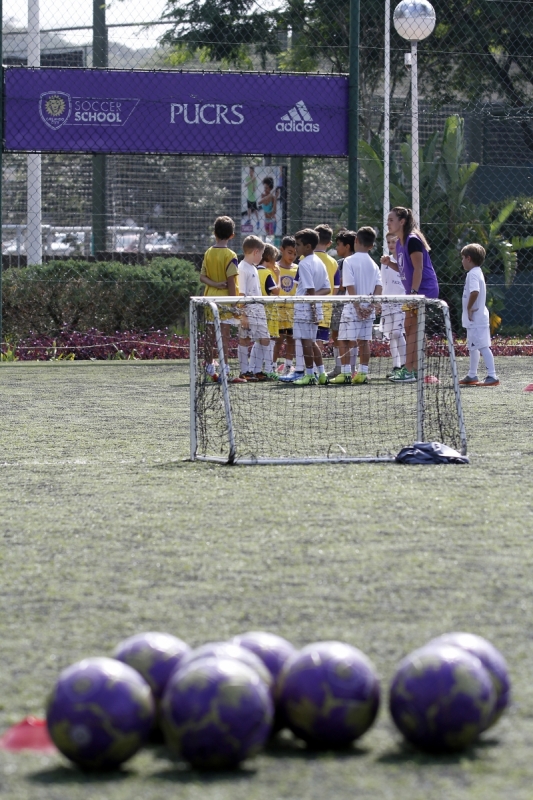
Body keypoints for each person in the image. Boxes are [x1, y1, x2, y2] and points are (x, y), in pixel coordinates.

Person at [385, 206, 439, 383]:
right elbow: (404, 268)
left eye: (391, 219)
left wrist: (414, 294)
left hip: (422, 290)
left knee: (411, 327)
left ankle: (409, 370)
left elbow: (418, 269)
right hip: (413, 292)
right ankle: (414, 369)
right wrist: (390, 263)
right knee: (410, 328)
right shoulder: (400, 243)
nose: (388, 223)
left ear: (402, 221)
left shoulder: (413, 240)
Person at [333, 227, 382, 385]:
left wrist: (357, 306)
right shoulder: (374, 264)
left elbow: (349, 285)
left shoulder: (349, 261)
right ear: (371, 246)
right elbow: (378, 287)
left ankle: (346, 373)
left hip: (352, 308)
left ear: (355, 241)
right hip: (368, 309)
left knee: (344, 340)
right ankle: (362, 373)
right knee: (364, 341)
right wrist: (371, 306)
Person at [199, 215, 245, 384]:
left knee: (210, 337)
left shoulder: (208, 252)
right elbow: (231, 281)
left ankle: (209, 369)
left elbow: (202, 277)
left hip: (210, 299)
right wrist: (234, 304)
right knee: (224, 337)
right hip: (225, 301)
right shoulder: (230, 254)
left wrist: (215, 284)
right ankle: (225, 370)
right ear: (232, 235)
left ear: (214, 233)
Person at [291, 229, 331, 386]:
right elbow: (326, 289)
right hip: (313, 307)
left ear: (308, 246)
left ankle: (309, 375)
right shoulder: (319, 262)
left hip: (305, 309)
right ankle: (321, 374)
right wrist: (314, 305)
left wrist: (313, 309)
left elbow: (310, 290)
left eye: (298, 244)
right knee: (312, 342)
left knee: (306, 342)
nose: (296, 248)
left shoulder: (304, 264)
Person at [459, 243, 500, 386]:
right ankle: (472, 375)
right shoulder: (477, 272)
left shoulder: (473, 274)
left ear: (469, 258)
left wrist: (469, 307)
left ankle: (492, 376)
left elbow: (474, 292)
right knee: (473, 346)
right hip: (474, 320)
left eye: (463, 258)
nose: (462, 261)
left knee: (482, 346)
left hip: (476, 318)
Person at [237, 235, 272, 382]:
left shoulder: (254, 268)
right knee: (244, 339)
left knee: (265, 338)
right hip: (248, 310)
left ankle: (257, 370)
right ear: (256, 252)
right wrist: (243, 315)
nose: (262, 257)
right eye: (262, 254)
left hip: (259, 308)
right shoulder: (242, 268)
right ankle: (245, 371)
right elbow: (241, 293)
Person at [328, 229, 356, 379]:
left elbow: (342, 285)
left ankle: (351, 369)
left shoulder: (350, 263)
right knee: (336, 335)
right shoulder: (338, 263)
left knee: (348, 337)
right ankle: (339, 367)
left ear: (347, 246)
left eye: (338, 244)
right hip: (339, 303)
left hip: (346, 304)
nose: (336, 248)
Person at [380, 231, 406, 378]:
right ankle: (396, 366)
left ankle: (404, 364)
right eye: (389, 242)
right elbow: (383, 282)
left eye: (394, 242)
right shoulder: (385, 262)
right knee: (391, 335)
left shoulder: (405, 260)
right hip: (387, 303)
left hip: (401, 303)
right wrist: (381, 300)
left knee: (398, 332)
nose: (391, 245)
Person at [314, 224, 341, 353]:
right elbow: (336, 288)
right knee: (319, 340)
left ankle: (307, 369)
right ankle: (318, 369)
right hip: (326, 308)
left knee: (306, 339)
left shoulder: (304, 258)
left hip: (306, 307)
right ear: (329, 243)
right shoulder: (333, 262)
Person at [274, 235, 298, 375]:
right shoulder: (274, 267)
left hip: (293, 311)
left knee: (291, 339)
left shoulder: (298, 268)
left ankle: (288, 365)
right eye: (290, 252)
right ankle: (272, 365)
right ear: (281, 250)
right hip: (277, 311)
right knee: (277, 340)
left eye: (295, 253)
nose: (292, 256)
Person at [257, 243, 281, 380]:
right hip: (268, 312)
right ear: (269, 258)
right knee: (270, 339)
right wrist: (278, 276)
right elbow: (276, 291)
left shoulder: (255, 271)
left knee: (258, 341)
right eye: (275, 258)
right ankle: (269, 368)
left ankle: (254, 368)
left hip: (256, 310)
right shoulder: (267, 273)